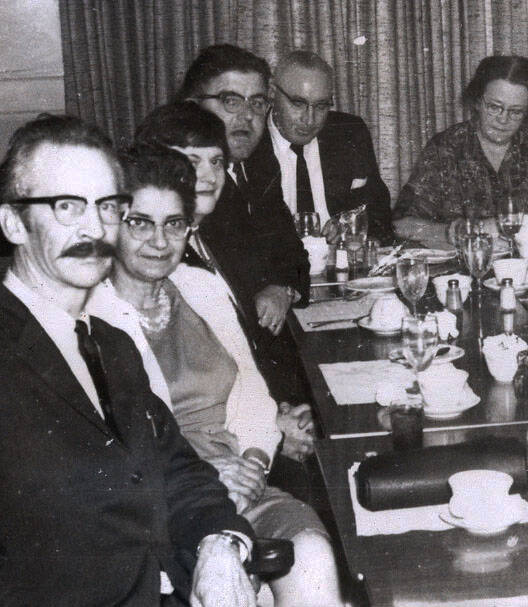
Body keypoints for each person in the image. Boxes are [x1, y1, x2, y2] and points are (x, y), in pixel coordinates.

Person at [0, 114, 257, 606]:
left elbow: (178, 472)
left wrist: (219, 544)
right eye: (67, 206)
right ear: (13, 222)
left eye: (107, 206)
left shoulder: (111, 344)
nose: (94, 228)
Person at [87, 147, 343, 607]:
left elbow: (252, 396)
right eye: (140, 222)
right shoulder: (88, 313)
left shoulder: (199, 286)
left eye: (174, 223)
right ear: (111, 224)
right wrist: (207, 483)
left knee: (312, 554)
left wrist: (255, 461)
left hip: (242, 482)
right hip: (160, 507)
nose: (159, 241)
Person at [134, 102, 315, 459]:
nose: (209, 176)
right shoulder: (155, 264)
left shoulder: (213, 232)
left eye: (216, 161)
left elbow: (243, 358)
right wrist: (273, 439)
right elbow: (177, 406)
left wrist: (281, 413)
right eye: (191, 161)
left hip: (260, 423)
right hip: (217, 457)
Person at [177, 43, 310, 324]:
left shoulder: (256, 162)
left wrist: (282, 289)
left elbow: (292, 252)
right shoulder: (181, 184)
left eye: (258, 103)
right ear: (192, 108)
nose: (248, 115)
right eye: (231, 101)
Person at [393, 55, 528, 249]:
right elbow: (402, 224)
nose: (503, 120)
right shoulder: (446, 147)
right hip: (464, 269)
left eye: (515, 112)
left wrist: (483, 228)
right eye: (494, 107)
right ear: (478, 102)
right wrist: (449, 233)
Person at [262, 50, 392, 242]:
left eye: (321, 106)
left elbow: (380, 213)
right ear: (272, 92)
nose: (309, 119)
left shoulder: (349, 132)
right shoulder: (251, 144)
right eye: (298, 104)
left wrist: (350, 223)